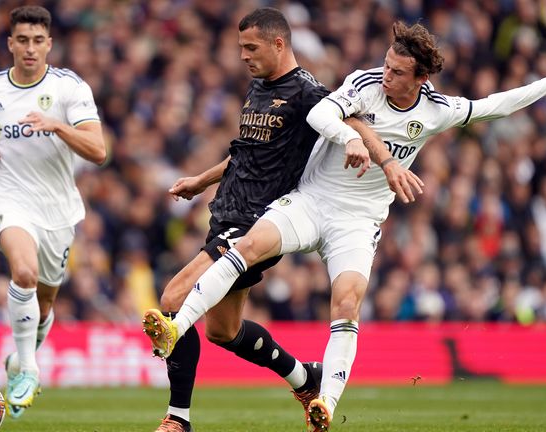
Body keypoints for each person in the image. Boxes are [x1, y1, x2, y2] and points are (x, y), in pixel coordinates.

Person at [143, 20, 546, 432]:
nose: (386, 74)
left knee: (347, 303)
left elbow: (496, 105)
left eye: (396, 71)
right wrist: (355, 138)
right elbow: (323, 116)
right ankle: (178, 329)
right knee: (251, 244)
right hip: (311, 200)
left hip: (357, 222)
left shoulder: (436, 110)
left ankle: (325, 404)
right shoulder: (363, 83)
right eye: (386, 65)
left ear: (421, 79)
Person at [142, 7, 373, 432]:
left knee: (175, 299)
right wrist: (201, 180)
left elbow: (350, 116)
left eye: (251, 47)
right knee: (223, 332)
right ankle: (306, 378)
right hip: (226, 211)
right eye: (240, 48)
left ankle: (178, 418)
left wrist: (361, 143)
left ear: (279, 44)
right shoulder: (258, 88)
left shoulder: (306, 92)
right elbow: (244, 154)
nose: (243, 56)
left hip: (257, 223)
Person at [0, 5, 106, 418]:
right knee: (23, 272)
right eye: (22, 40)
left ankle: (22, 355)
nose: (30, 48)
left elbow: (98, 151)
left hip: (57, 208)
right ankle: (29, 369)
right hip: (9, 197)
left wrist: (57, 126)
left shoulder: (69, 88)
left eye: (38, 41)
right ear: (10, 43)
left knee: (44, 302)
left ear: (49, 45)